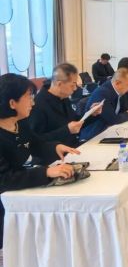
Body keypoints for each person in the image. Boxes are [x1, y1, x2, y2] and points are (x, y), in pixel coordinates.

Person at [0, 73, 79, 248]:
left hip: (15, 196)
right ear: (12, 103)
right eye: (28, 97)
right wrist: (46, 172)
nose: (33, 102)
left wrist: (55, 147)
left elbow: (36, 144)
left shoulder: (20, 123)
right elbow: (4, 179)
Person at [29, 63, 102, 147]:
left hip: (72, 146)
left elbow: (75, 122)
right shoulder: (39, 104)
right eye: (73, 85)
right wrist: (67, 130)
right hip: (55, 153)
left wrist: (92, 114)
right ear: (59, 84)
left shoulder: (63, 97)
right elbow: (36, 141)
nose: (75, 88)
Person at [80, 69, 128, 141]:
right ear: (117, 83)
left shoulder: (119, 91)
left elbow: (124, 109)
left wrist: (126, 113)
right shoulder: (103, 93)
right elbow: (113, 119)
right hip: (94, 135)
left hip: (109, 130)